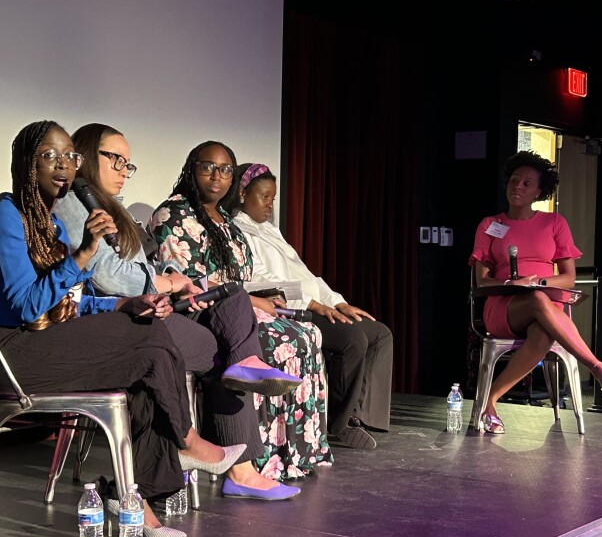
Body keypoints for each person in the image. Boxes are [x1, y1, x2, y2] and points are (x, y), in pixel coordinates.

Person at [0, 120, 248, 537]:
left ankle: (137, 498)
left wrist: (125, 303)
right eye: (49, 156)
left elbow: (69, 304)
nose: (63, 166)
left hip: (38, 343)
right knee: (148, 341)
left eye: (69, 157)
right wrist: (81, 256)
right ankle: (183, 440)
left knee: (145, 338)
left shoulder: (50, 224)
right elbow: (27, 307)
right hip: (5, 353)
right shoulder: (5, 219)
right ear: (26, 164)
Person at [53, 124, 300, 500]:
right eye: (115, 159)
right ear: (86, 156)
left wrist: (173, 278)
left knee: (232, 296)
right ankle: (241, 470)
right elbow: (104, 276)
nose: (123, 169)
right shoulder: (75, 203)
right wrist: (166, 284)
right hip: (118, 317)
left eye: (127, 163)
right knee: (223, 356)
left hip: (150, 307)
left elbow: (138, 268)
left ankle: (244, 371)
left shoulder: (107, 204)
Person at [150, 141, 334, 480]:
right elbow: (186, 282)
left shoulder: (228, 222)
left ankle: (295, 451)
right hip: (198, 311)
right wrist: (251, 303)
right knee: (277, 340)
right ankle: (260, 458)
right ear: (193, 169)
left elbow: (242, 279)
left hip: (235, 306)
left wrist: (260, 300)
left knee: (308, 333)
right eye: (208, 167)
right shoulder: (173, 214)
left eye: (225, 170)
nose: (217, 176)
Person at [226, 163, 393, 450]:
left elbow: (307, 275)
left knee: (379, 333)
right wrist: (313, 304)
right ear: (242, 193)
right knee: (353, 339)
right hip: (289, 309)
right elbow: (261, 281)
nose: (269, 205)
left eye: (273, 199)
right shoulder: (237, 232)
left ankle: (359, 417)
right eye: (263, 197)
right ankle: (338, 425)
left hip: (315, 304)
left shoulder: (270, 231)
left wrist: (338, 302)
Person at [470, 150, 602, 434]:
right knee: (538, 302)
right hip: (504, 308)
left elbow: (568, 278)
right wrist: (512, 285)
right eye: (514, 180)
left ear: (539, 191)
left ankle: (490, 401)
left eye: (527, 183)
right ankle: (599, 370)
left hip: (543, 308)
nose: (518, 186)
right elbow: (481, 281)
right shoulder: (491, 225)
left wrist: (538, 283)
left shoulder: (554, 223)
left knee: (543, 329)